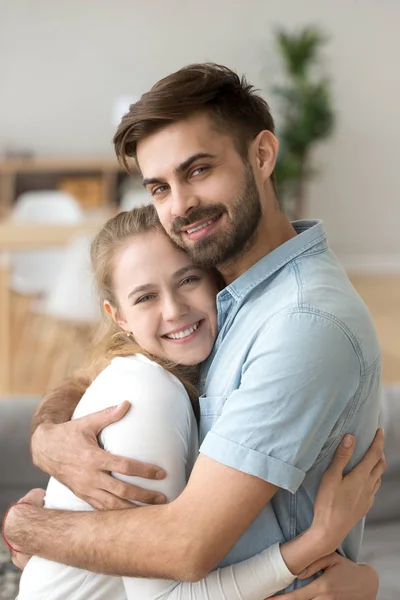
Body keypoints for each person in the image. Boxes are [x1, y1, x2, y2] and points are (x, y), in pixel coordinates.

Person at [5, 63, 383, 598]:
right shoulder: (225, 291)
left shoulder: (300, 323)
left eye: (199, 170)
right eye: (160, 186)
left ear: (262, 154)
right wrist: (47, 437)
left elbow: (185, 550)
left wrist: (27, 529)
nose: (180, 205)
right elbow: (102, 371)